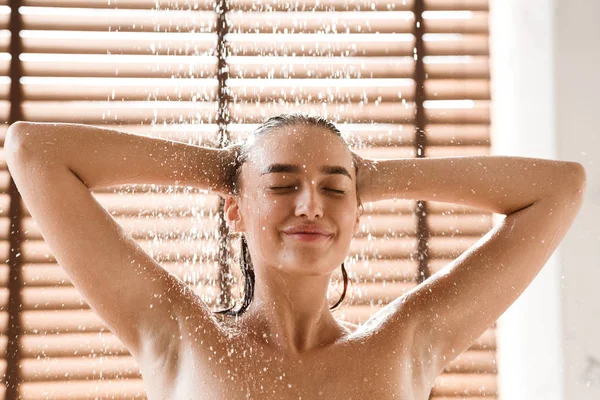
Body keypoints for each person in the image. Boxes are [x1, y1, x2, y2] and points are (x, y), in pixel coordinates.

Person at [4, 113, 586, 399]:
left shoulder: (408, 340)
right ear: (234, 210)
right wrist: (231, 169)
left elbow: (560, 187)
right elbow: (33, 151)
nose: (310, 205)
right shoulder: (176, 332)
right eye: (282, 185)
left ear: (358, 210)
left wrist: (371, 177)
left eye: (333, 190)